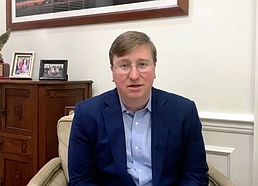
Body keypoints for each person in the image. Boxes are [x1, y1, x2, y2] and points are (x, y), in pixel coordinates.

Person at [68, 31, 209, 186]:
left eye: (142, 64)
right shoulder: (87, 114)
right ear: (112, 72)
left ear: (154, 68)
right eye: (124, 65)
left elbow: (195, 175)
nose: (134, 75)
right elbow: (81, 180)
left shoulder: (183, 112)